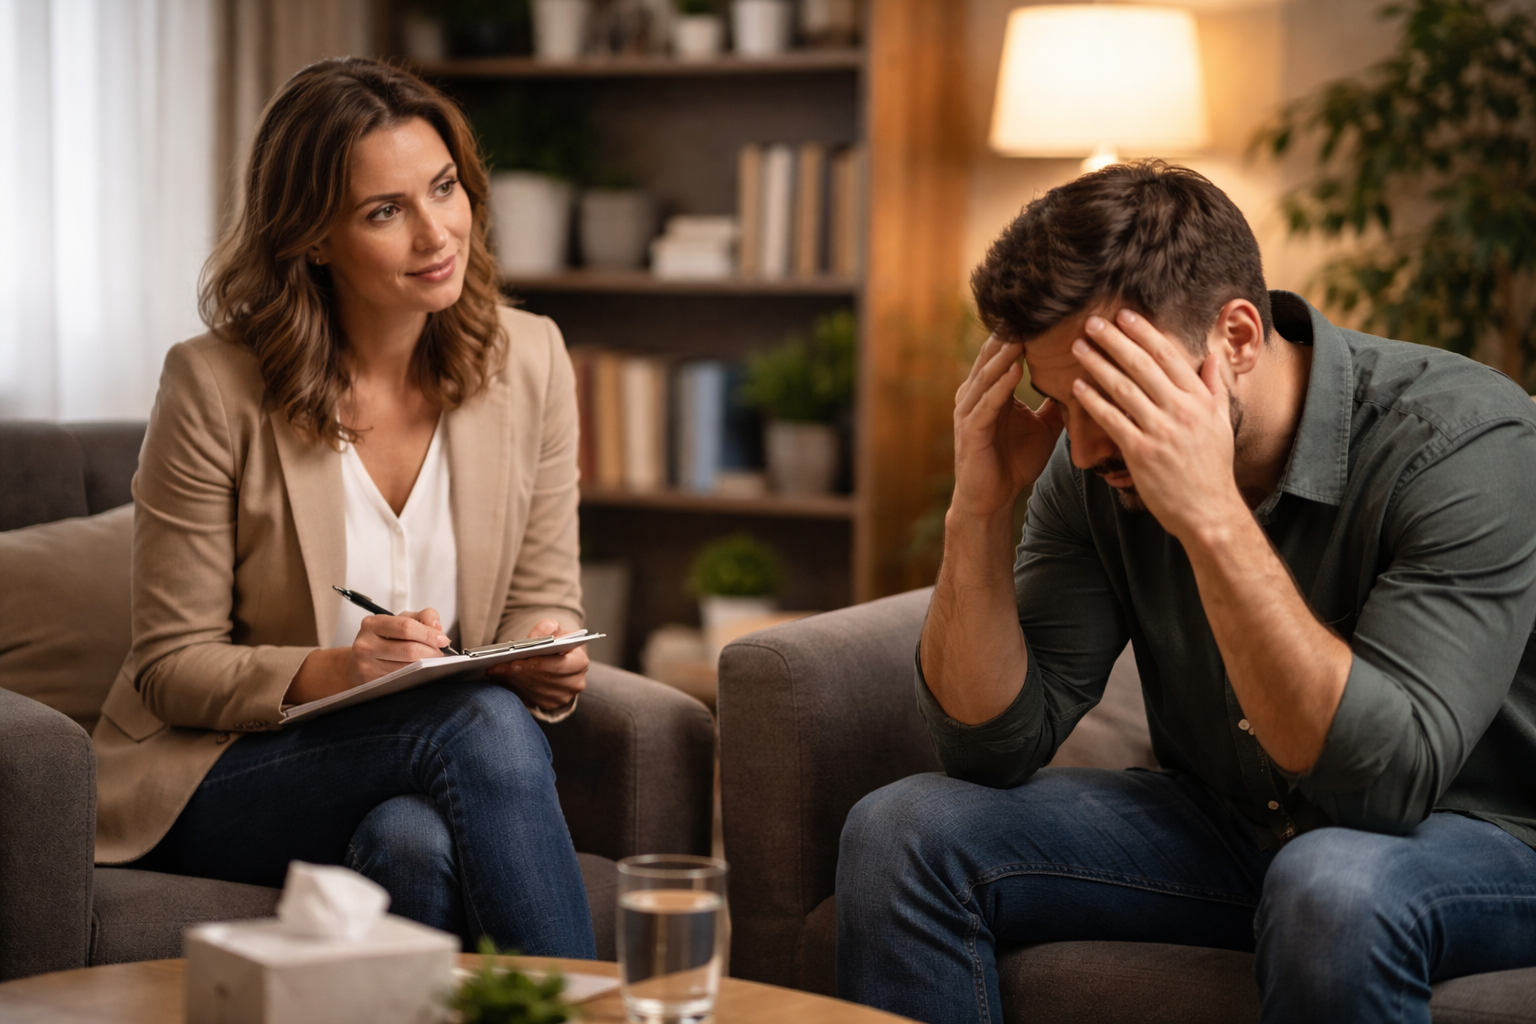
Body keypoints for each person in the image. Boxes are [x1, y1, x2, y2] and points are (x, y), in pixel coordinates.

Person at [836, 162, 1536, 1023]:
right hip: (1229, 822)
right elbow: (993, 747)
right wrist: (977, 512)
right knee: (902, 831)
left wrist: (1211, 517)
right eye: (1063, 403)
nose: (1086, 448)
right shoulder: (1090, 464)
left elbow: (1379, 787)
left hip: (1483, 839)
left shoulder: (1465, 445)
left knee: (1333, 884)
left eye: (1117, 396)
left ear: (1237, 337)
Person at [90, 57, 595, 956]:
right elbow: (171, 665)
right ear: (315, 238)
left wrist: (541, 661)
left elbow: (539, 605)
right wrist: (341, 670)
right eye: (384, 211)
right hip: (224, 771)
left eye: (444, 188)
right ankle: (585, 1016)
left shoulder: (534, 359)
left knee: (411, 844)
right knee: (476, 723)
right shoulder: (212, 386)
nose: (437, 232)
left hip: (423, 762)